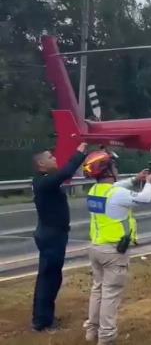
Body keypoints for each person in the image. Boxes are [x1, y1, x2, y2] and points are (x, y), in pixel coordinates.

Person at [83, 150, 151, 344]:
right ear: (108, 170)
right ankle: (106, 337)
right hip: (114, 252)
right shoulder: (116, 194)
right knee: (110, 295)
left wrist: (135, 179)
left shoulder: (94, 191)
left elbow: (115, 187)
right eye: (114, 166)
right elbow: (145, 198)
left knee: (97, 290)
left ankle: (92, 330)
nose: (116, 169)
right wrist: (148, 182)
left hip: (96, 248)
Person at [30, 142, 88, 332]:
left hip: (54, 234)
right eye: (50, 157)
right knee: (49, 278)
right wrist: (79, 154)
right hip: (51, 236)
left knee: (52, 277)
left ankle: (45, 317)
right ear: (41, 165)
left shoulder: (44, 180)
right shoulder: (44, 181)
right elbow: (65, 173)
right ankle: (42, 321)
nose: (54, 158)